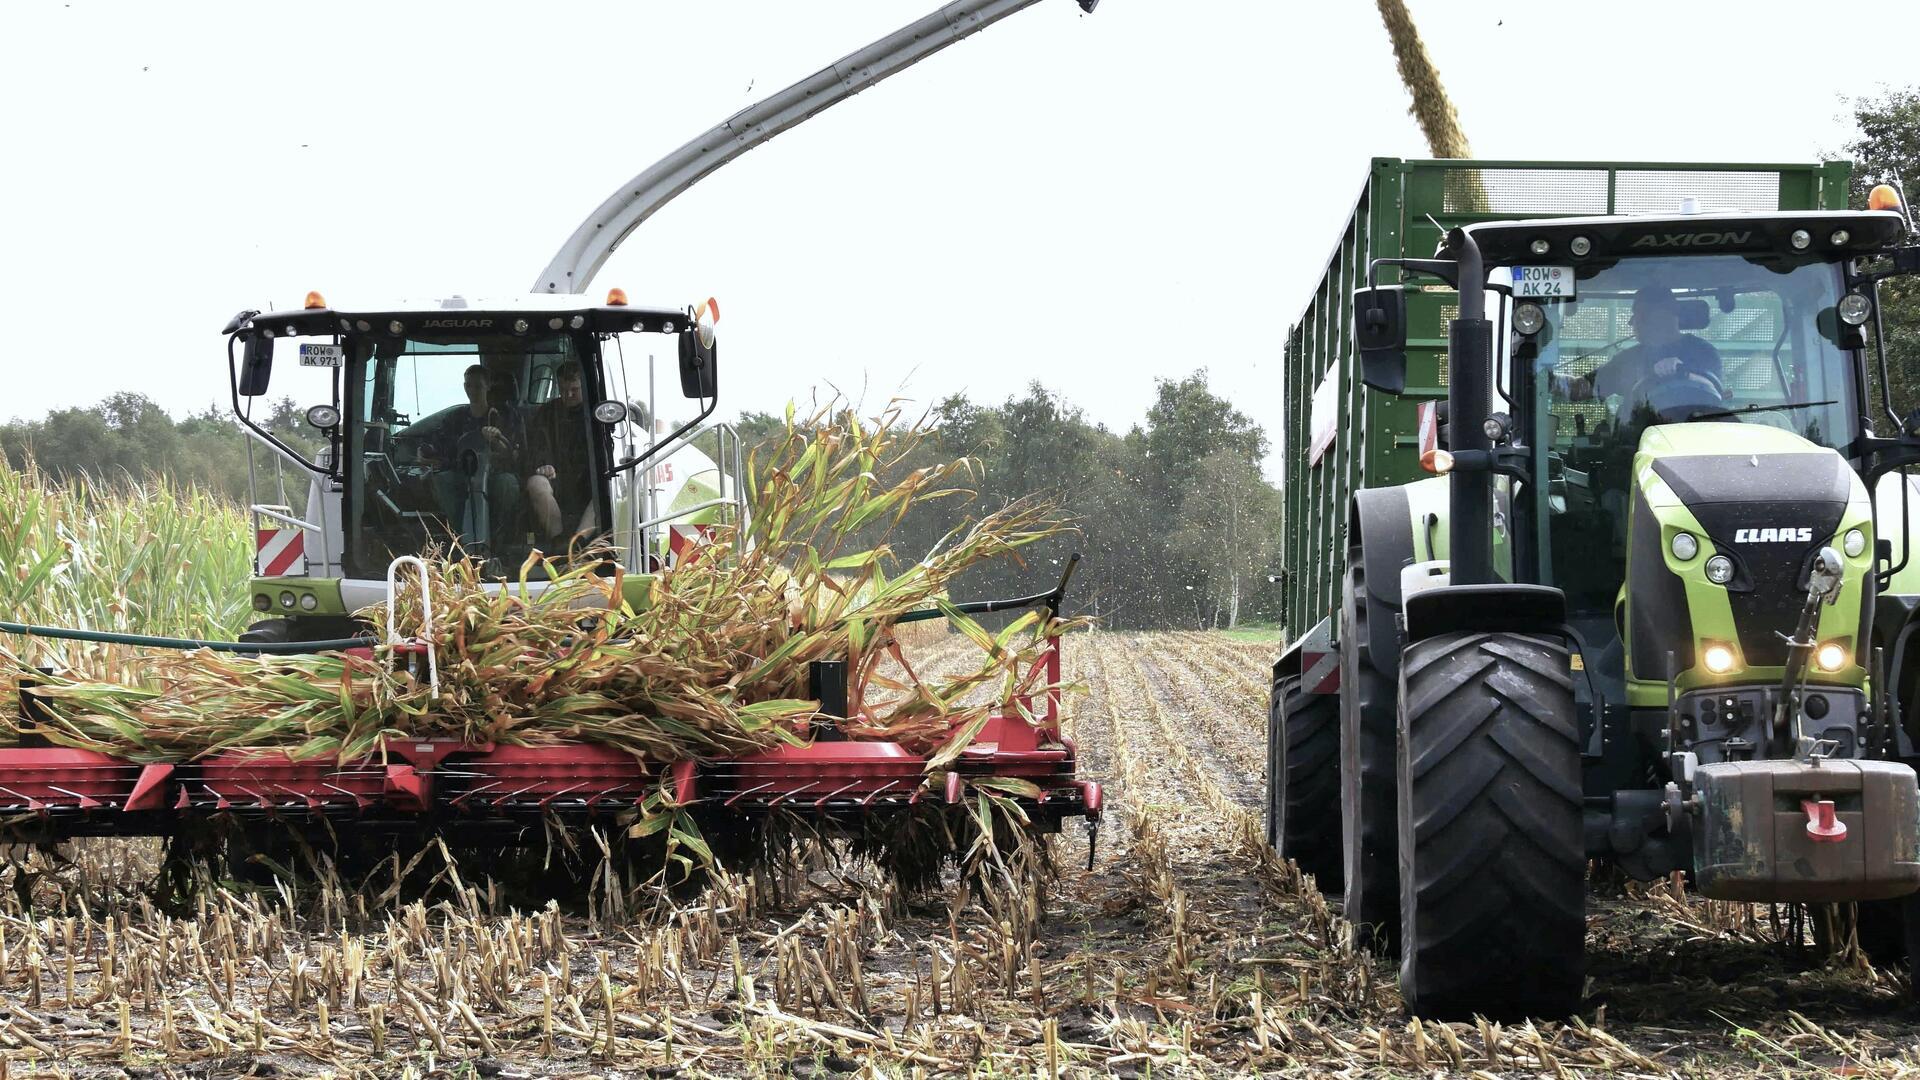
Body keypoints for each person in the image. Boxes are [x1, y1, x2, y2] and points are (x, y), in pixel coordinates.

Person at [1559, 288, 1724, 405]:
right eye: (1637, 317)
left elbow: (1712, 391)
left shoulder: (1703, 352)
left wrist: (1682, 371)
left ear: (1670, 315)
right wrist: (1544, 378)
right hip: (1634, 439)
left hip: (1688, 435)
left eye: (1643, 315)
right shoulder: (1628, 360)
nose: (1635, 323)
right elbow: (1580, 389)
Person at [425, 364, 524, 546]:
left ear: (487, 386)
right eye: (468, 385)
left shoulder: (506, 416)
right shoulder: (455, 418)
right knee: (441, 480)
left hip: (495, 475)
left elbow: (515, 452)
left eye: (477, 386)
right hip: (461, 475)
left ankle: (498, 538)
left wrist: (495, 440)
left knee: (508, 484)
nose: (472, 390)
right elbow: (438, 447)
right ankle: (461, 537)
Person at [524, 361, 597, 547]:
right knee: (536, 483)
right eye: (563, 389)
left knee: (604, 486)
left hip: (587, 480)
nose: (568, 394)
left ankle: (578, 543)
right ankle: (560, 542)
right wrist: (544, 464)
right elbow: (536, 444)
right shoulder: (546, 413)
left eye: (574, 389)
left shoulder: (595, 412)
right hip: (556, 479)